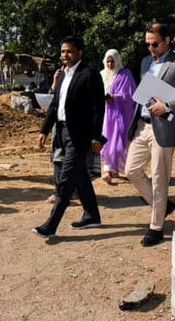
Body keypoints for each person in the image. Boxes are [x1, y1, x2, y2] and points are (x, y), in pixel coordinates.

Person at [125, 23, 175, 247]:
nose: (151, 48)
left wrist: (167, 106)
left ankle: (156, 228)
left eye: (155, 43)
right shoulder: (146, 62)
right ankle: (163, 206)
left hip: (164, 126)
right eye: (147, 43)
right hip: (142, 125)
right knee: (131, 170)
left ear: (167, 40)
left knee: (160, 178)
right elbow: (146, 90)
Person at [33, 36, 106, 238]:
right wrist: (44, 131)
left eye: (70, 51)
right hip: (63, 132)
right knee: (80, 176)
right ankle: (92, 215)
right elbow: (55, 105)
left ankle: (51, 225)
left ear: (79, 53)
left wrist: (96, 137)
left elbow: (98, 109)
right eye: (63, 51)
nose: (65, 55)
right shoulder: (63, 75)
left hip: (80, 135)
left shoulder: (89, 74)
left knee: (65, 181)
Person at [99, 49, 137, 184]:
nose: (110, 64)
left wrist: (115, 98)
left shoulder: (125, 75)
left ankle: (119, 168)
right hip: (104, 114)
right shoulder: (101, 75)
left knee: (118, 142)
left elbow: (131, 95)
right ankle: (108, 169)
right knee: (106, 140)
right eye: (108, 61)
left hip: (120, 114)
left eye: (112, 61)